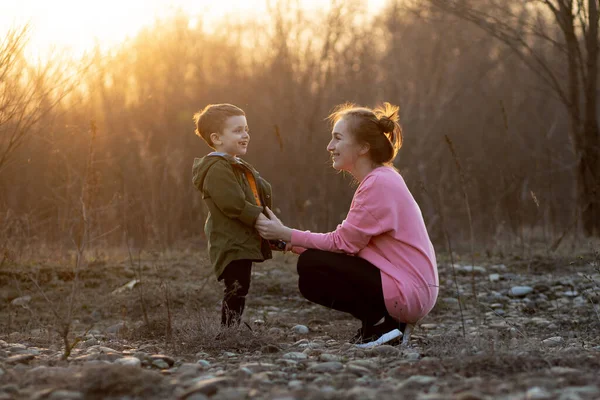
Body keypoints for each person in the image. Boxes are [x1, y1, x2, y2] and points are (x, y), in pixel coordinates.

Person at [255, 102, 439, 347]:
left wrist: (287, 233)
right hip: (410, 288)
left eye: (338, 138)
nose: (330, 146)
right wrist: (288, 242)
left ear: (363, 147)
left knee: (312, 267)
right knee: (311, 264)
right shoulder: (383, 178)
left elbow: (342, 244)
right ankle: (384, 324)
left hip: (407, 292)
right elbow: (353, 246)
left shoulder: (378, 184)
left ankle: (384, 324)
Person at [192, 103, 282, 328]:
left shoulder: (237, 165)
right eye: (238, 131)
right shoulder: (217, 169)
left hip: (241, 238)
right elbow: (233, 204)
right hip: (230, 240)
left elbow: (255, 195)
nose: (245, 135)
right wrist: (262, 222)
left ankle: (231, 330)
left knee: (242, 286)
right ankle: (228, 332)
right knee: (236, 286)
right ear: (217, 138)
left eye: (247, 130)